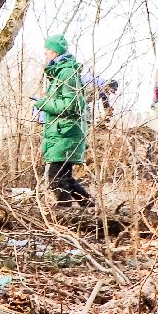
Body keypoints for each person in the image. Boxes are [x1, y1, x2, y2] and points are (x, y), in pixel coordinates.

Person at [35, 35, 92, 205]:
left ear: (54, 51)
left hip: (65, 133)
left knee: (56, 179)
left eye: (47, 52)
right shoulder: (61, 72)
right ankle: (90, 207)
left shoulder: (66, 72)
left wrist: (43, 103)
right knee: (65, 179)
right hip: (62, 132)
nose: (45, 55)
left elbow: (71, 105)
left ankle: (65, 217)